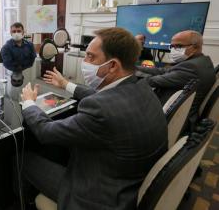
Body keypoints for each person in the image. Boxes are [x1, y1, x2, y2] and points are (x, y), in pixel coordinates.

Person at [20, 27, 168, 210]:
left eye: (90, 57)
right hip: (129, 181)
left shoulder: (101, 109)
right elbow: (108, 95)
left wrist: (29, 103)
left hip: (97, 197)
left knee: (20, 157)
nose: (84, 61)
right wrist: (66, 84)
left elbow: (46, 132)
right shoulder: (142, 87)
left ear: (113, 65)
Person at [137, 30, 216, 124]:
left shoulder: (191, 67)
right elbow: (163, 71)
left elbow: (152, 81)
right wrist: (133, 68)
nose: (173, 50)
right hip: (178, 110)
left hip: (173, 118)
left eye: (178, 46)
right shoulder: (201, 61)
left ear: (195, 47)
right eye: (172, 46)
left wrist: (126, 74)